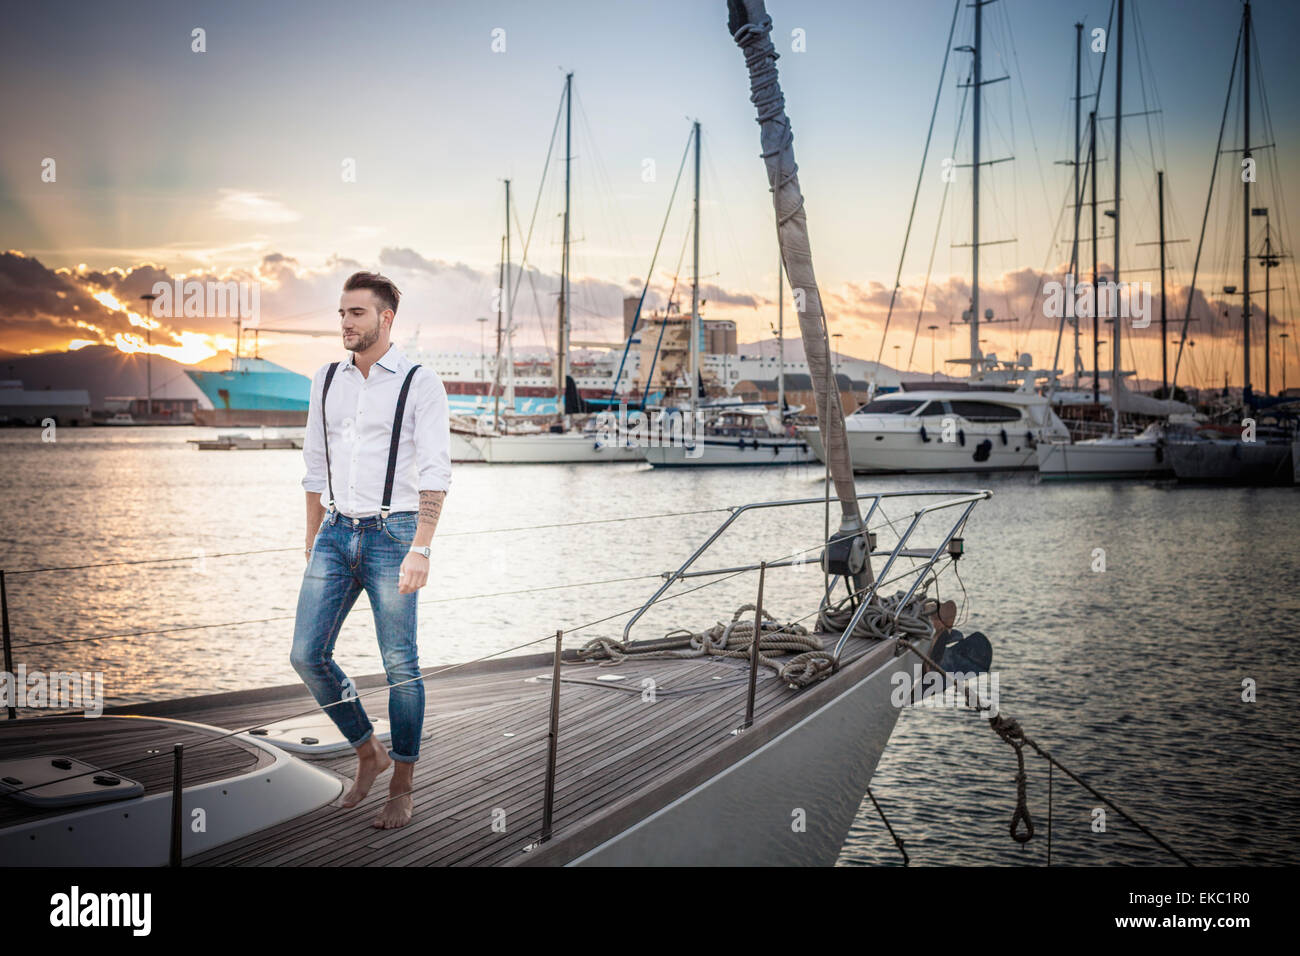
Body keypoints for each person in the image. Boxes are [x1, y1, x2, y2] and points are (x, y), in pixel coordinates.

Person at [290, 270, 450, 830]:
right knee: (307, 654)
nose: (344, 323)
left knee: (401, 666)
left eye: (356, 313)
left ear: (385, 319)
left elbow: (435, 473)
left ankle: (402, 785)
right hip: (335, 533)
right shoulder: (326, 378)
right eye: (340, 313)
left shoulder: (419, 382)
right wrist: (312, 535)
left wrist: (421, 548)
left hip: (393, 533)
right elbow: (314, 463)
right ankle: (368, 752)